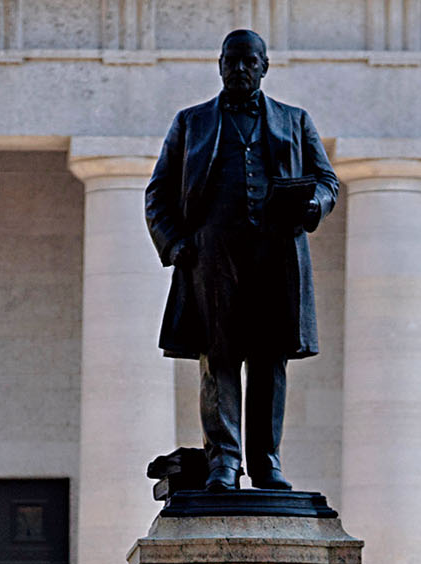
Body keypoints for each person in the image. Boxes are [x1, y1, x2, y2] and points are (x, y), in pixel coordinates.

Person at [144, 28, 339, 491]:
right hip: (212, 258)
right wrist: (175, 245)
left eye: (250, 61)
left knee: (270, 360)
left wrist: (316, 204)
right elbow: (159, 193)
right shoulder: (191, 123)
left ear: (265, 66)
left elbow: (326, 180)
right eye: (232, 61)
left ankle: (266, 461)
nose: (240, 69)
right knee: (219, 360)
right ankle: (224, 462)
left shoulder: (295, 121)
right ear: (219, 64)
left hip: (276, 259)